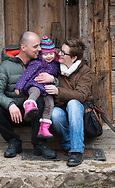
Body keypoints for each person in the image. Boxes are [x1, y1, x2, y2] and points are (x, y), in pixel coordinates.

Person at [0, 31, 57, 159]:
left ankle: (39, 144)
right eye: (35, 46)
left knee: (40, 100)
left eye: (39, 46)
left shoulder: (43, 62)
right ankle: (14, 141)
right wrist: (10, 104)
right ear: (23, 48)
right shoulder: (6, 67)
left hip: (35, 113)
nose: (40, 49)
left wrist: (53, 79)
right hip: (15, 113)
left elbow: (56, 80)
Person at [37, 37, 93, 167]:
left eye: (63, 52)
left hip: (78, 110)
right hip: (61, 108)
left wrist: (57, 90)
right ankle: (68, 144)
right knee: (54, 113)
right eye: (60, 50)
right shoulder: (55, 67)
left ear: (73, 58)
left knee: (73, 103)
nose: (59, 54)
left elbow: (80, 95)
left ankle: (77, 151)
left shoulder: (85, 72)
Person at [14, 36, 59, 139]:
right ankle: (29, 107)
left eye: (51, 53)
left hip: (47, 89)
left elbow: (57, 77)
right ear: (41, 54)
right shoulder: (36, 63)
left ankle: (44, 128)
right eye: (45, 54)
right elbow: (26, 75)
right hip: (34, 85)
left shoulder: (55, 65)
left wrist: (53, 79)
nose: (49, 56)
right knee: (35, 93)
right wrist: (19, 86)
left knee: (50, 104)